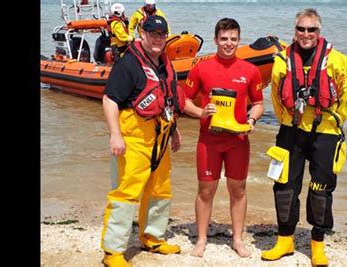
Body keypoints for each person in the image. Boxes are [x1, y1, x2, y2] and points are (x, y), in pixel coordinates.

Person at [260, 8, 347, 266]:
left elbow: (345, 99)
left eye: (311, 29)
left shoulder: (339, 61)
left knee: (321, 189)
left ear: (319, 31)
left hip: (325, 133)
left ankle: (318, 244)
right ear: (295, 30)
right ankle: (285, 239)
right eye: (301, 29)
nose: (305, 34)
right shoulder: (281, 61)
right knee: (284, 186)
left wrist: (333, 124)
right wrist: (290, 121)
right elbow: (277, 99)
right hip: (291, 131)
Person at [100, 15, 185, 267]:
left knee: (160, 190)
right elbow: (110, 100)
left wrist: (175, 131)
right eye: (152, 33)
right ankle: (113, 252)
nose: (157, 38)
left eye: (162, 34)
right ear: (142, 34)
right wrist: (115, 134)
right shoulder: (129, 65)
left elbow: (166, 99)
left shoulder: (163, 64)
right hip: (134, 139)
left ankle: (153, 237)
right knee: (126, 193)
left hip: (160, 138)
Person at [183, 17, 264, 258]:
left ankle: (238, 239)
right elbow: (184, 99)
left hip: (238, 140)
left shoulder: (250, 70)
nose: (229, 43)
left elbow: (258, 103)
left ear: (239, 40)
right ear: (216, 39)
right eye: (224, 39)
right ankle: (201, 239)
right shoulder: (202, 68)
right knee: (206, 191)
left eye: (234, 39)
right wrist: (200, 112)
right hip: (209, 140)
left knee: (237, 189)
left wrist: (251, 120)